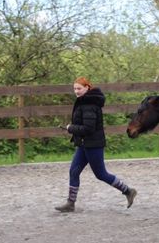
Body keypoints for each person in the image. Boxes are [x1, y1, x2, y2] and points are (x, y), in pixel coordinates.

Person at [55, 77, 137, 212]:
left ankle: (128, 191)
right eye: (75, 88)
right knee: (74, 171)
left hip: (93, 144)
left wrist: (71, 128)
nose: (76, 91)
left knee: (101, 174)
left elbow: (88, 129)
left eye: (79, 88)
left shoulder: (89, 105)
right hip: (84, 144)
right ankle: (70, 203)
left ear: (87, 88)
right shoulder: (84, 101)